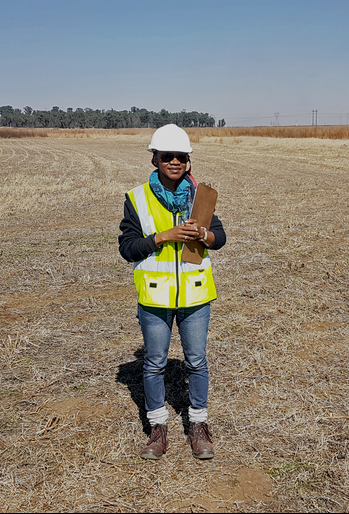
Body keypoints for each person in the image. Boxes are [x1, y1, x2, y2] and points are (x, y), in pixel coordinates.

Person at [118, 124, 226, 460]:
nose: (175, 161)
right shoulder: (137, 198)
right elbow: (127, 248)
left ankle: (198, 426)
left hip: (194, 297)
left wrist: (204, 235)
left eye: (181, 156)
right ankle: (158, 429)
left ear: (188, 161)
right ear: (155, 159)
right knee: (153, 365)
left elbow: (219, 239)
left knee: (196, 362)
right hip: (154, 299)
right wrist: (162, 237)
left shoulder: (201, 196)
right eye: (168, 156)